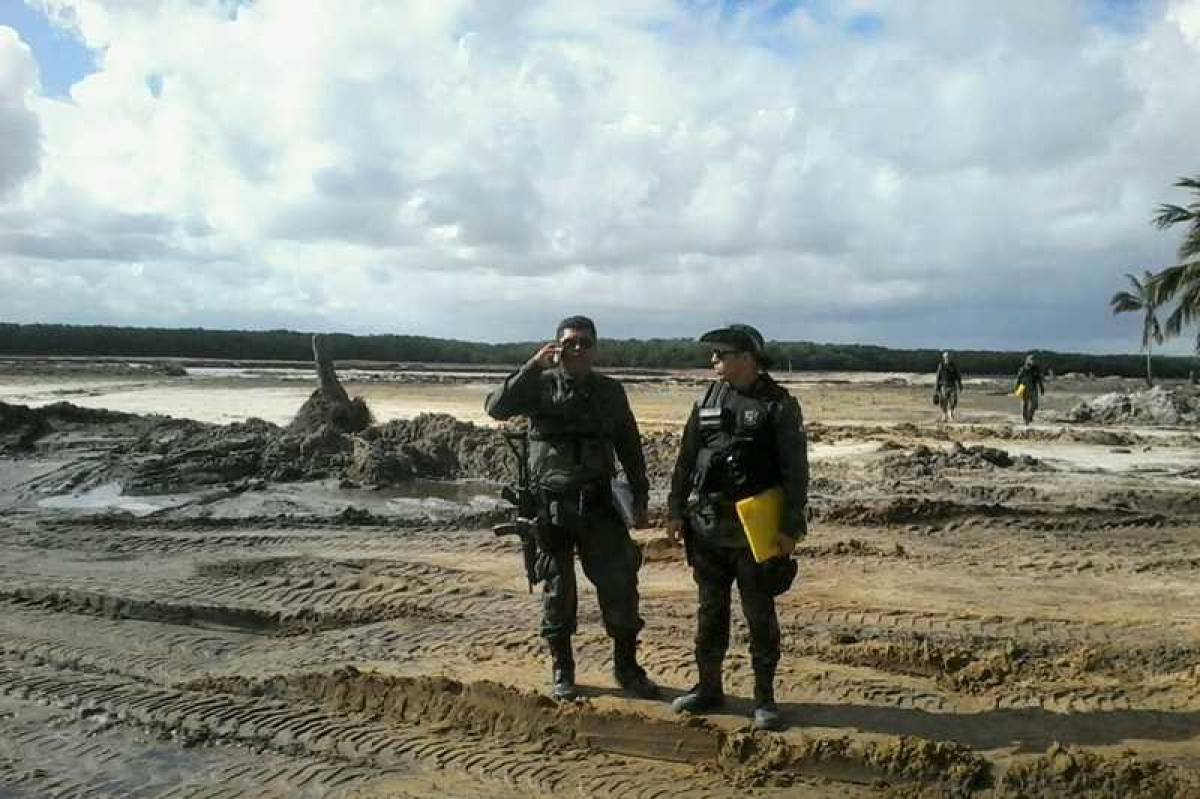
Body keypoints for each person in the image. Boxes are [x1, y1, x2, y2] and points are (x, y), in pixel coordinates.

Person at [484, 315, 659, 702]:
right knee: (557, 590)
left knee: (620, 584)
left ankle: (626, 667)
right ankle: (562, 668)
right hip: (551, 508)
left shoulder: (610, 392)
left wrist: (640, 499)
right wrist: (531, 367)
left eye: (585, 342)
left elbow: (630, 447)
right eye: (570, 342)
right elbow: (496, 407)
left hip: (599, 504)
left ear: (595, 348)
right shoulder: (538, 387)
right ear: (556, 347)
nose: (577, 349)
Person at [665, 324, 808, 731]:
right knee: (710, 612)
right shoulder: (707, 398)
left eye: (721, 354)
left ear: (746, 357)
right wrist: (676, 510)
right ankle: (709, 688)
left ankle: (765, 699)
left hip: (756, 530)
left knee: (759, 614)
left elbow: (795, 472)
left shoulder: (778, 405)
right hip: (708, 526)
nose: (714, 361)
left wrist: (789, 528)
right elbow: (686, 459)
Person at [1014, 354, 1046, 425]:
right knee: (1025, 404)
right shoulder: (1023, 369)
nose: (1033, 361)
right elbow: (1018, 379)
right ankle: (1025, 419)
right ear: (1027, 360)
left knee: (1034, 405)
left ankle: (1030, 416)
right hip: (1024, 388)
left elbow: (1039, 379)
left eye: (1034, 359)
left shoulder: (1036, 369)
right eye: (1031, 359)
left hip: (1033, 388)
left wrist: (1041, 387)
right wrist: (1016, 388)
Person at [934, 351, 963, 423]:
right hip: (943, 386)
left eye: (949, 357)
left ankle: (950, 412)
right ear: (944, 358)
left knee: (954, 401)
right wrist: (936, 389)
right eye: (946, 357)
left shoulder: (953, 366)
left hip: (952, 385)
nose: (948, 358)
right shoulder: (941, 366)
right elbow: (938, 377)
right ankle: (944, 414)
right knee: (943, 401)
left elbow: (958, 376)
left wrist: (960, 385)